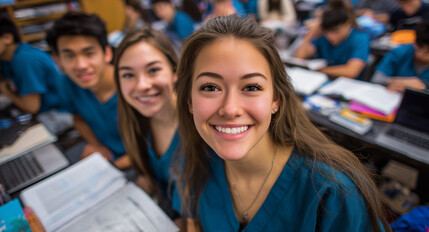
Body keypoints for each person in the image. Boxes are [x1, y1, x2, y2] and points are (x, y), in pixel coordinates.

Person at [173, 15, 390, 231]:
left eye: (251, 87)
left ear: (275, 100)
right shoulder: (196, 161)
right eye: (210, 87)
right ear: (190, 101)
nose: (230, 109)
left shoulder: (334, 194)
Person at [46, 12, 130, 169]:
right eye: (69, 56)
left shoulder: (134, 86)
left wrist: (107, 167)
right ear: (57, 60)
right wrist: (97, 147)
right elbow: (78, 118)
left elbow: (156, 146)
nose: (81, 65)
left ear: (107, 53)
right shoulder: (67, 83)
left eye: (89, 53)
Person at [113, 27, 181, 218]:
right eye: (128, 75)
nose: (142, 85)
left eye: (153, 70)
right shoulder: (135, 121)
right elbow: (150, 176)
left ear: (174, 71)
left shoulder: (200, 124)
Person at [0, 17, 62, 115]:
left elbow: (32, 108)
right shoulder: (6, 59)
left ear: (7, 38)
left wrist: (6, 91)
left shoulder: (24, 59)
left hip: (57, 114)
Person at [294, 0, 369, 79]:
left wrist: (319, 70)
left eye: (336, 31)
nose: (330, 37)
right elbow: (299, 58)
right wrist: (310, 33)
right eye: (327, 32)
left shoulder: (360, 37)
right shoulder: (321, 36)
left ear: (348, 24)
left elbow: (352, 71)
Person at [371, 22, 429, 92]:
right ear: (416, 45)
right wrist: (403, 82)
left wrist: (424, 87)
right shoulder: (400, 52)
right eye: (426, 52)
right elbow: (377, 79)